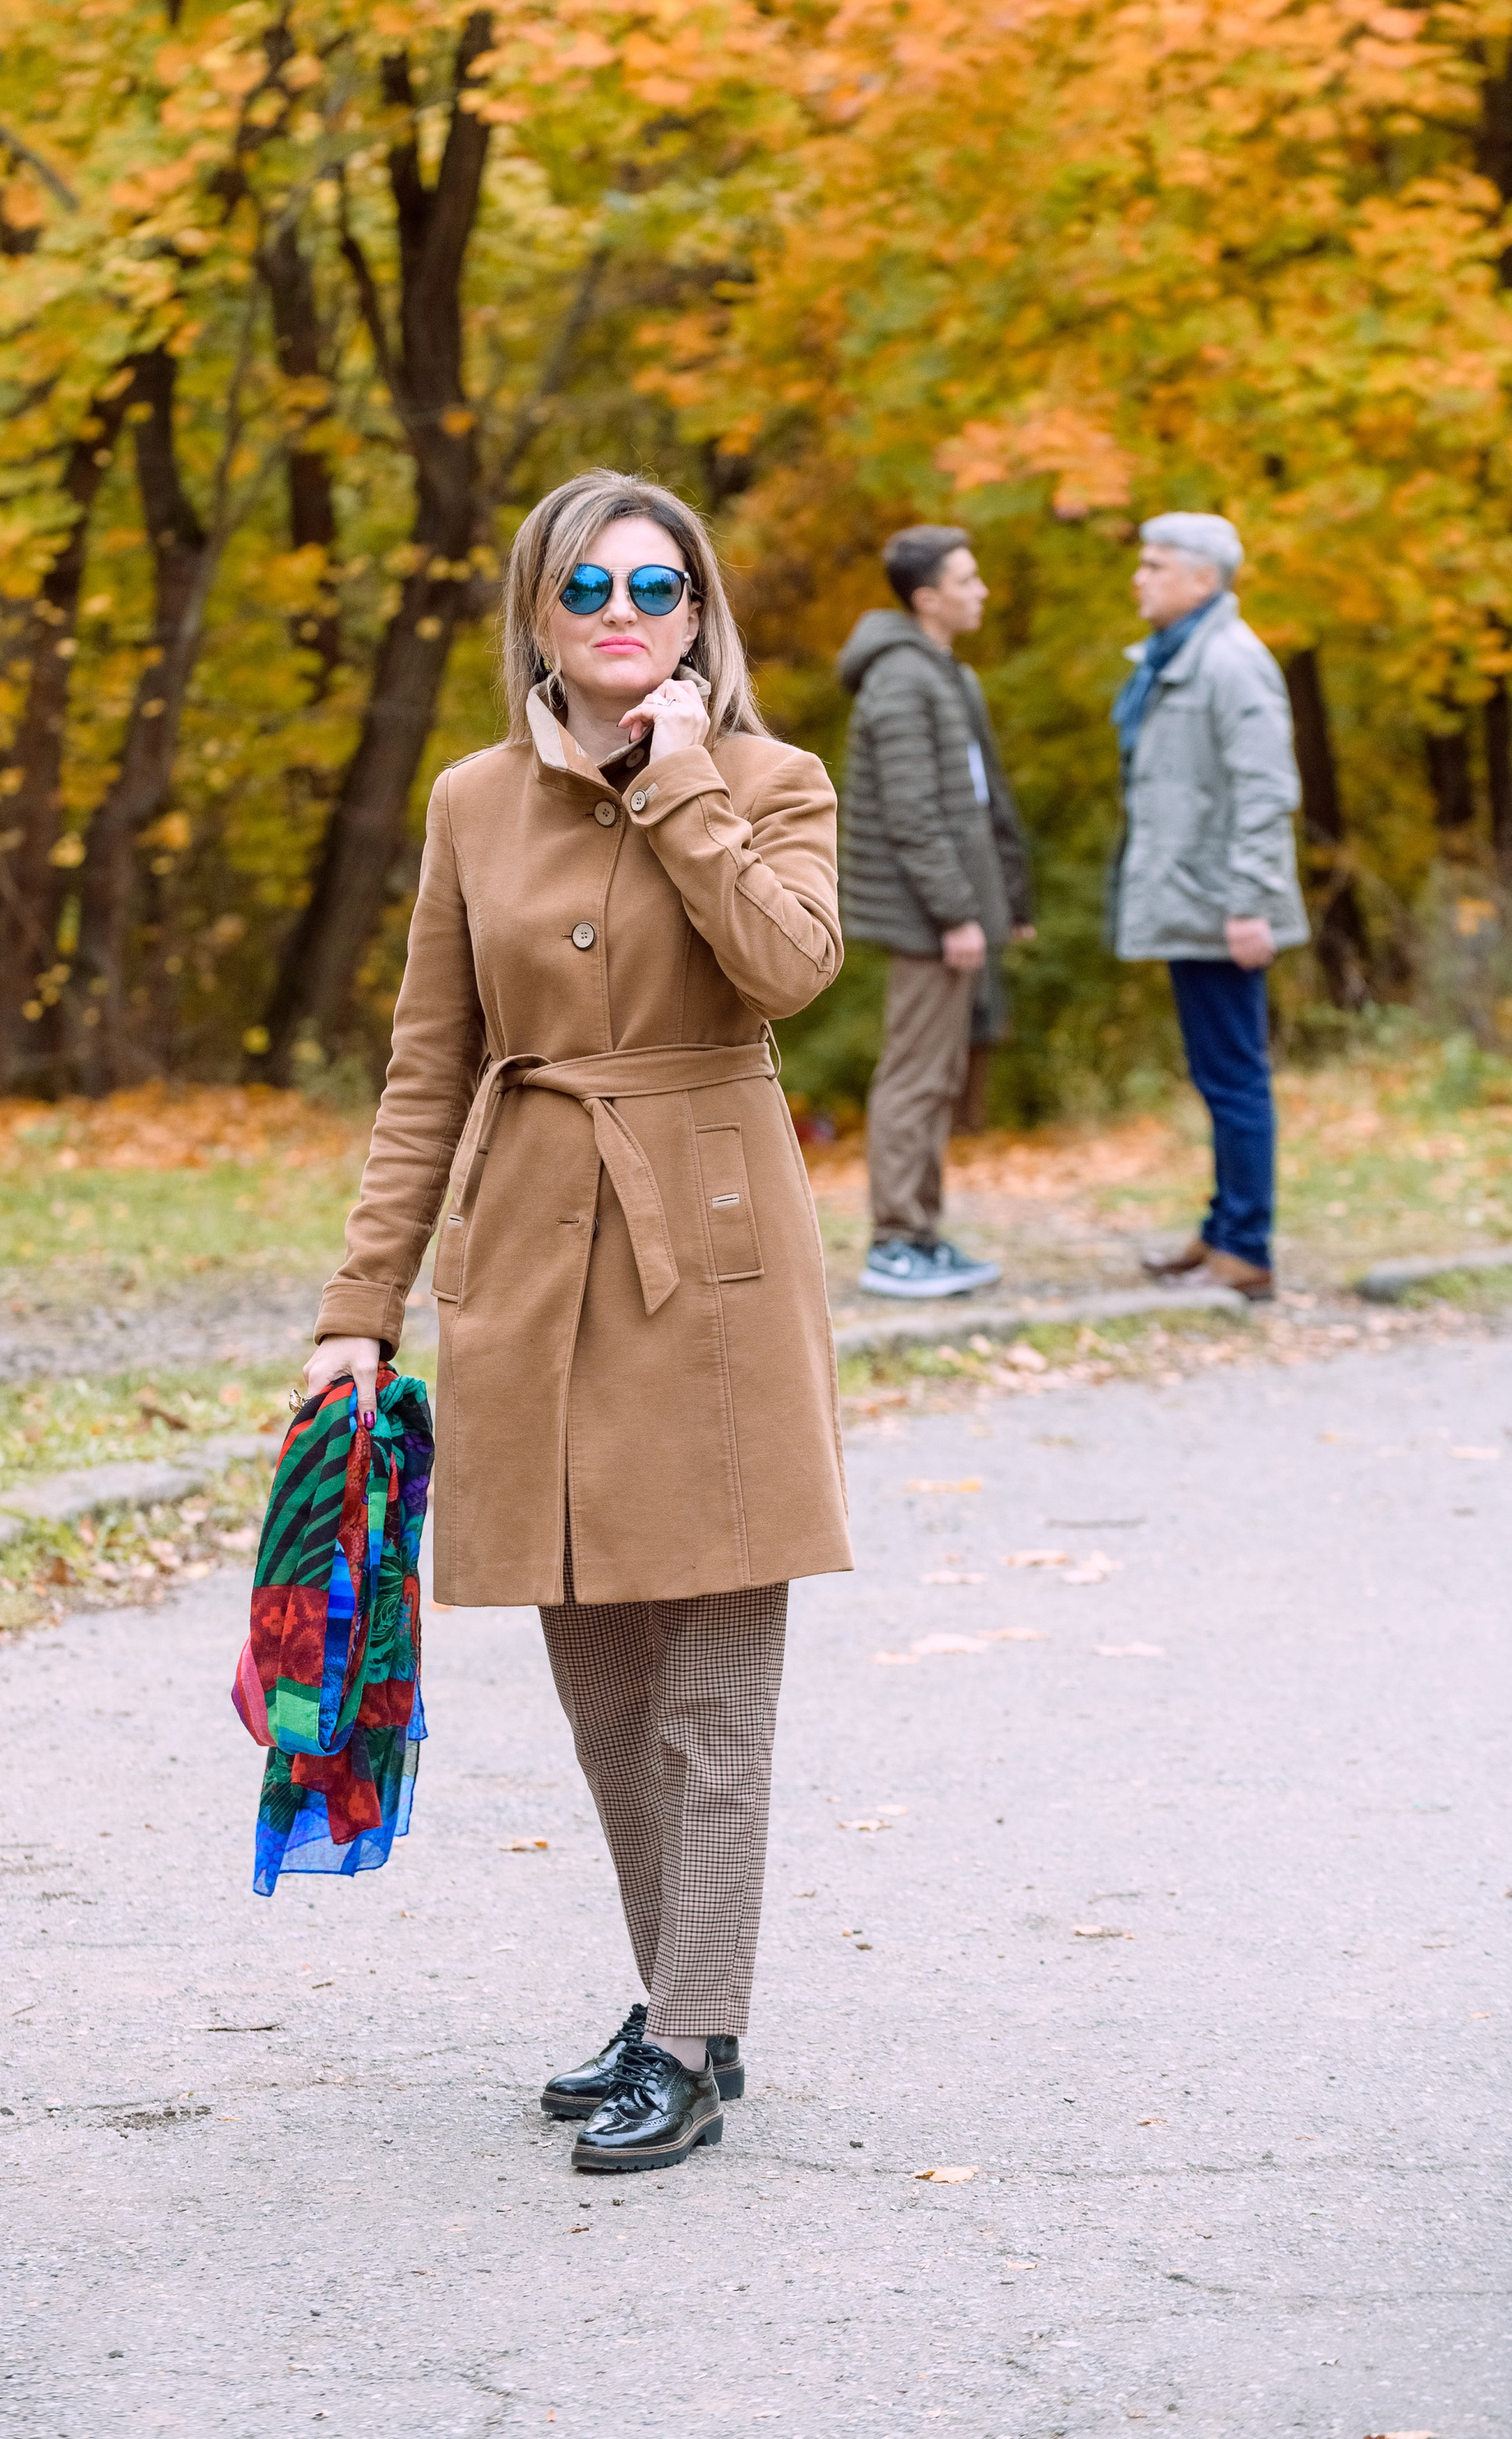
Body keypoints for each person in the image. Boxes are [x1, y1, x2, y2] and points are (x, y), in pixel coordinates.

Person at [305, 470, 852, 2178]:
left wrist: (677, 779)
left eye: (657, 586)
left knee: (711, 1672)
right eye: (587, 589)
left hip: (713, 1254)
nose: (623, 615)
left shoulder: (770, 778)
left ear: (701, 612)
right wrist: (357, 1306)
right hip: (534, 1254)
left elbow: (789, 968)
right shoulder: (473, 799)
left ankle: (692, 2033)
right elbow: (424, 1065)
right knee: (603, 1675)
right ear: (535, 617)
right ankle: (673, 1994)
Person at [1111, 512, 1309, 1300]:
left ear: (1202, 579)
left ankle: (1245, 1248)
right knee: (1216, 1073)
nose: (1140, 576)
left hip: (1224, 908)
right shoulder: (1176, 658)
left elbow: (1265, 790)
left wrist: (1250, 903)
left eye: (1155, 565)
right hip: (1193, 903)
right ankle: (1223, 1227)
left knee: (1233, 1077)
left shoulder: (1230, 662)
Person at [836, 525, 1034, 1299]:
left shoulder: (945, 675)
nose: (980, 591)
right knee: (915, 1077)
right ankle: (894, 1243)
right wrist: (957, 913)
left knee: (940, 1074)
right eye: (968, 579)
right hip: (926, 918)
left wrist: (1002, 903)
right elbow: (913, 815)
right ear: (928, 597)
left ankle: (922, 1234)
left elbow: (980, 805)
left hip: (956, 914)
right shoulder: (900, 680)